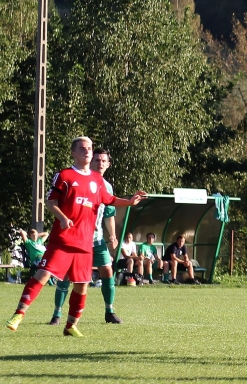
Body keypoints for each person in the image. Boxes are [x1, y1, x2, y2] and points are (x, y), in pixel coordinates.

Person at [7, 137, 146, 336]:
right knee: (44, 274)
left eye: (89, 148)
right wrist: (63, 218)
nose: (87, 151)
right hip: (63, 239)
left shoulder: (97, 180)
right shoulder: (64, 175)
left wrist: (130, 202)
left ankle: (71, 325)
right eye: (82, 148)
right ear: (73, 153)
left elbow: (110, 200)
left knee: (82, 284)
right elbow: (50, 202)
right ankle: (19, 314)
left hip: (86, 242)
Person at [50, 148, 128, 325]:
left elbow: (109, 213)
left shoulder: (107, 186)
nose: (100, 163)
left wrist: (113, 236)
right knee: (67, 276)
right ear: (90, 162)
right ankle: (57, 314)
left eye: (103, 161)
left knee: (107, 270)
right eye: (96, 160)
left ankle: (109, 311)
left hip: (96, 239)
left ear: (108, 164)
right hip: (75, 238)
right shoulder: (76, 179)